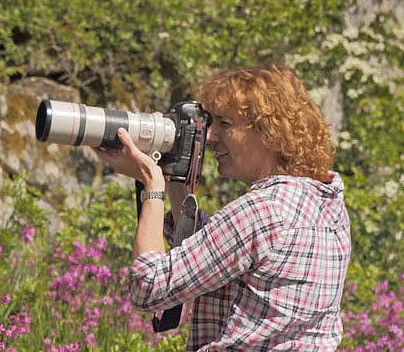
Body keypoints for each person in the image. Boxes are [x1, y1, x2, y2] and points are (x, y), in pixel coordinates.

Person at [93, 64, 351, 351]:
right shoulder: (327, 201)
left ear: (270, 132)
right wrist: (176, 174)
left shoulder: (261, 211)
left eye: (225, 124)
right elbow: (222, 253)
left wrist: (152, 186)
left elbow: (149, 286)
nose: (211, 136)